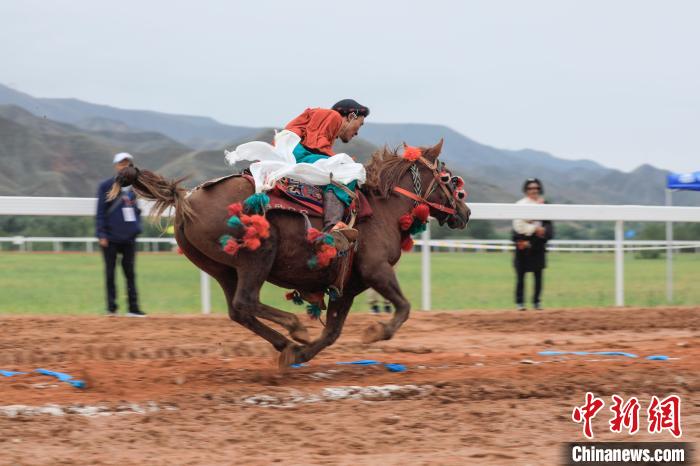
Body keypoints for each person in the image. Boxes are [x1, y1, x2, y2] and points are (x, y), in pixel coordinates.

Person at [285, 99, 369, 246]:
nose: (357, 132)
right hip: (298, 155)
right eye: (359, 125)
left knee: (345, 166)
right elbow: (315, 145)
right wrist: (340, 161)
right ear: (351, 117)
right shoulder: (333, 116)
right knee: (349, 170)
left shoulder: (328, 121)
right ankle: (332, 227)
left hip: (297, 154)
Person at [95, 152, 146, 317]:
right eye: (121, 163)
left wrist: (137, 228)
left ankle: (133, 308)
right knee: (110, 274)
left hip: (129, 238)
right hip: (109, 238)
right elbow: (100, 212)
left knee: (130, 273)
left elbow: (136, 210)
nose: (124, 166)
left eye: (127, 163)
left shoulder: (134, 188)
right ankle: (111, 308)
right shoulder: (106, 186)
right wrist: (101, 234)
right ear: (116, 166)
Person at [512, 178, 554, 311]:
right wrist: (535, 229)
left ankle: (537, 302)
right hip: (522, 245)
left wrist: (543, 233)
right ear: (526, 190)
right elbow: (518, 226)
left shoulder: (544, 204)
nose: (533, 190)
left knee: (538, 276)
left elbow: (548, 226)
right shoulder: (520, 204)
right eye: (531, 188)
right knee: (520, 277)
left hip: (538, 246)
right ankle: (520, 303)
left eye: (536, 188)